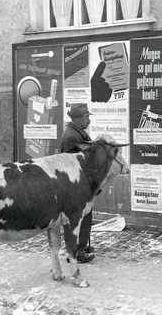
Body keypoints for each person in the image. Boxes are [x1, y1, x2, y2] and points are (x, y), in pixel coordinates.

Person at [60, 103, 95, 263]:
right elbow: (72, 164)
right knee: (78, 219)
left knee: (85, 217)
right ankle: (76, 252)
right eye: (86, 116)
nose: (88, 119)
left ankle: (82, 246)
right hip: (75, 186)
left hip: (81, 183)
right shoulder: (72, 137)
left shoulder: (78, 132)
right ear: (78, 119)